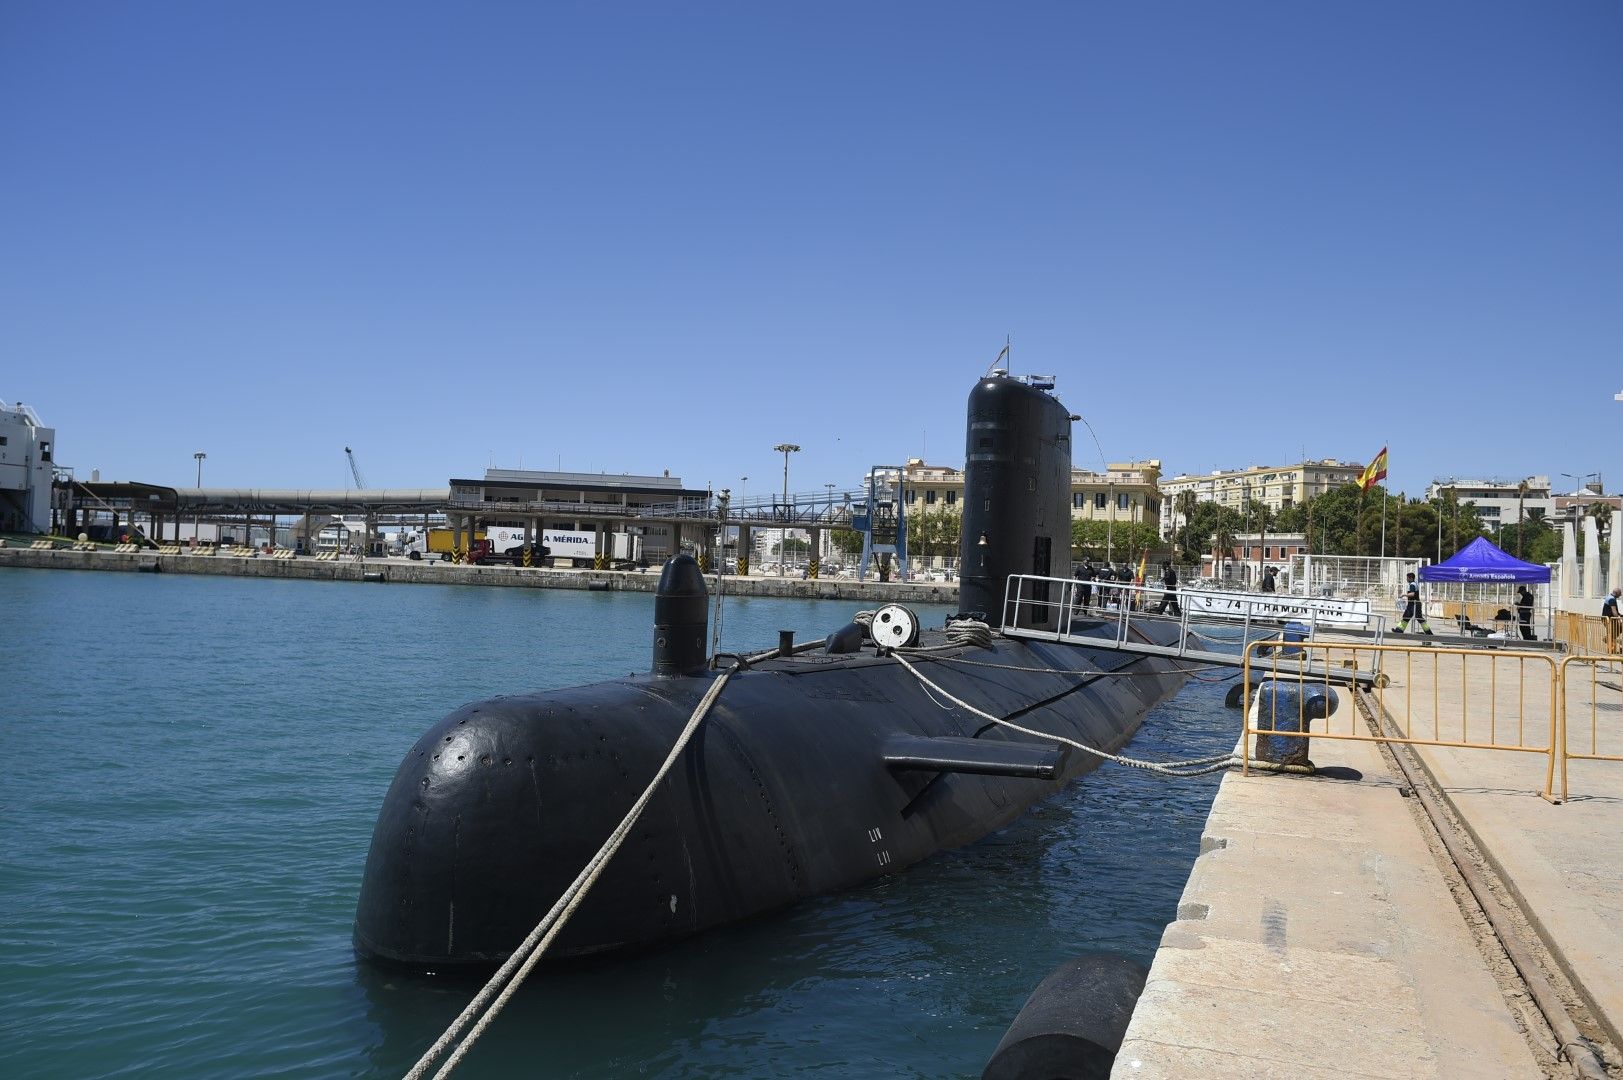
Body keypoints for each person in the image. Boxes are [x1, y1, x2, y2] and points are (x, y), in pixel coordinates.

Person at [1603, 588, 1622, 654]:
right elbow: (1614, 612)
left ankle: (1607, 639)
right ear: (1616, 593)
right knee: (1613, 633)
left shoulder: (1609, 597)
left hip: (1606, 619)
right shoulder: (1612, 599)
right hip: (1609, 619)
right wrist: (1619, 619)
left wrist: (1620, 615)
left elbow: (1614, 610)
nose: (1620, 595)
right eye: (1620, 594)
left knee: (1614, 632)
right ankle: (1611, 650)